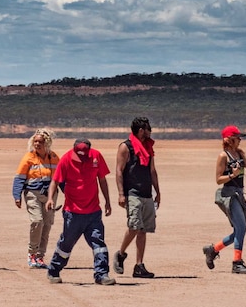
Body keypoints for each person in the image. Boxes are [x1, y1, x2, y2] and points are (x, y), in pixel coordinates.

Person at [45, 138, 115, 286]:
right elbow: (55, 181)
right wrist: (50, 198)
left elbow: (102, 180)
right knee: (66, 244)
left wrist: (108, 201)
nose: (82, 157)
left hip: (93, 211)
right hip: (73, 212)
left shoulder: (96, 156)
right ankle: (54, 270)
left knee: (99, 244)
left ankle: (102, 275)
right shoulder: (66, 159)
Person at [202, 126, 246, 274]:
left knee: (239, 231)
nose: (240, 140)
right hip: (229, 195)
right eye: (237, 137)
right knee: (241, 228)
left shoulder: (239, 153)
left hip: (239, 194)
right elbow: (218, 180)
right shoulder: (223, 156)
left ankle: (213, 250)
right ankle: (236, 263)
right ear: (229, 139)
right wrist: (232, 175)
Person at [112, 117, 160, 279]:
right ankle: (121, 253)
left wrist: (157, 192)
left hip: (147, 193)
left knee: (143, 230)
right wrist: (120, 194)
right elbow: (119, 171)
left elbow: (152, 171)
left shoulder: (148, 147)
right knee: (134, 226)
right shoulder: (125, 147)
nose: (150, 131)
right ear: (141, 130)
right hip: (132, 193)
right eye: (148, 129)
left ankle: (139, 266)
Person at [12, 128, 59, 268]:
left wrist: (69, 194)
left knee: (47, 225)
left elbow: (61, 179)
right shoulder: (28, 157)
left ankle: (40, 256)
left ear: (47, 143)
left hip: (50, 195)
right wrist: (17, 195)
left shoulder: (55, 158)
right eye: (35, 141)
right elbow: (19, 178)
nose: (37, 144)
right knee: (37, 221)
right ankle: (32, 253)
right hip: (33, 193)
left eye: (40, 142)